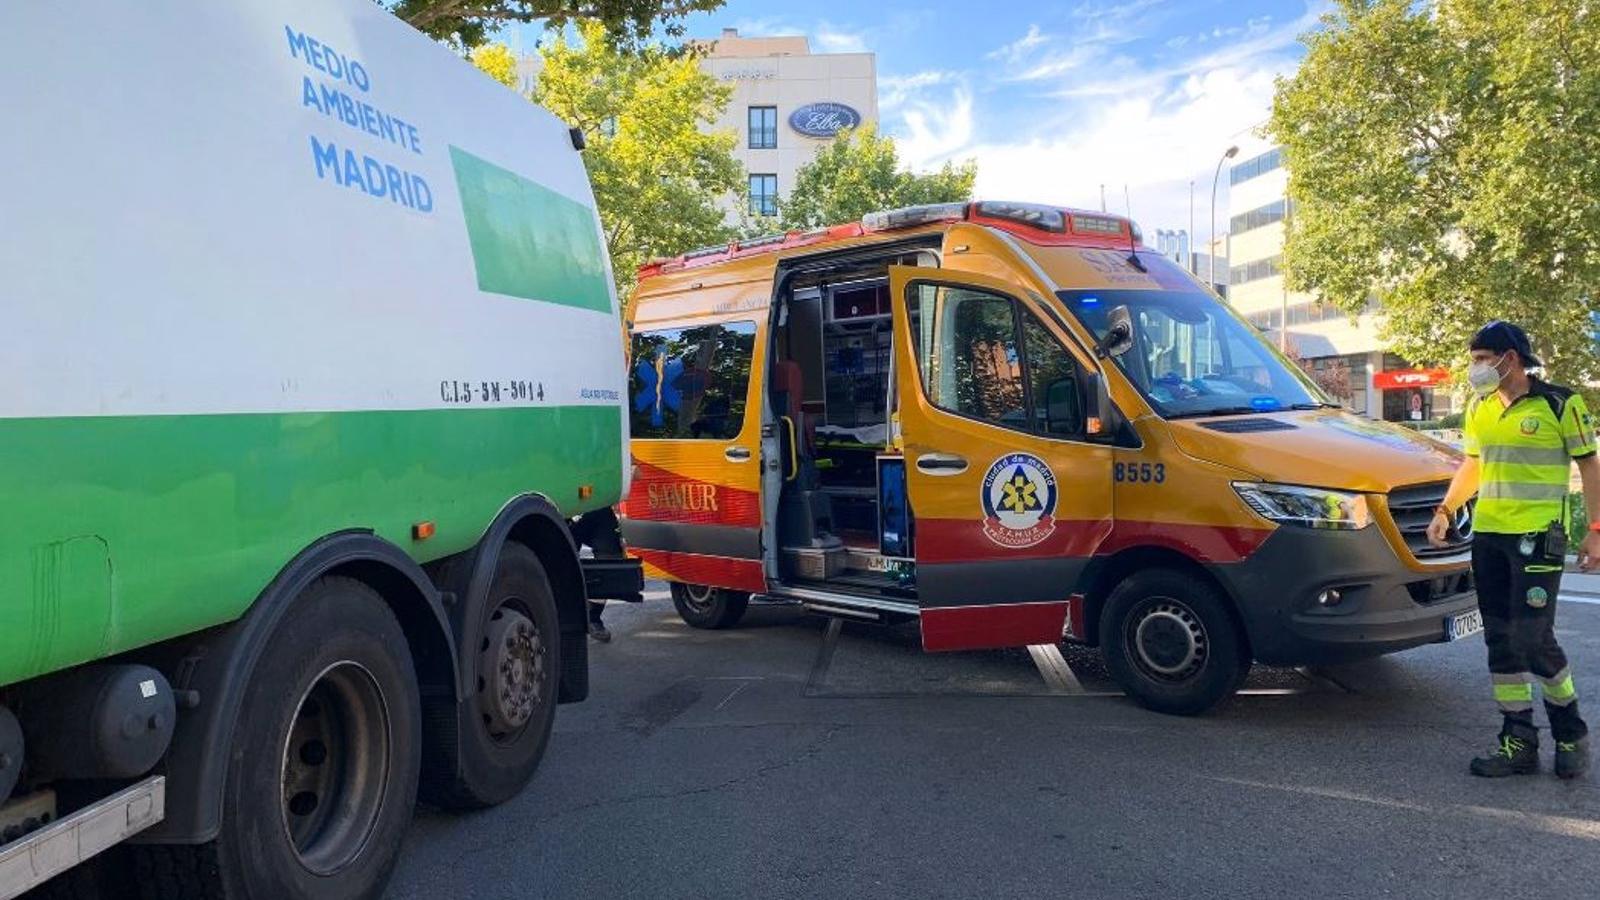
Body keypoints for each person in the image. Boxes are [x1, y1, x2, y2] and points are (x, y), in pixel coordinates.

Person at [1428, 321, 1600, 779]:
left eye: (1484, 358)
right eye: (1475, 359)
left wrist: (1596, 529)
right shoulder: (1480, 407)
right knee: (1500, 640)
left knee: (1533, 638)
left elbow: (1590, 465)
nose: (1477, 368)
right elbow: (1474, 463)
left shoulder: (1560, 403)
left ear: (1512, 359)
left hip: (1538, 538)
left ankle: (1570, 734)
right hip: (1489, 537)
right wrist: (1446, 509)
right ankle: (1518, 741)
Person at [570, 507, 643, 643]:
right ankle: (559, 621)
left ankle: (592, 616)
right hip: (557, 507)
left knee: (609, 559)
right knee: (560, 561)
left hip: (594, 504)